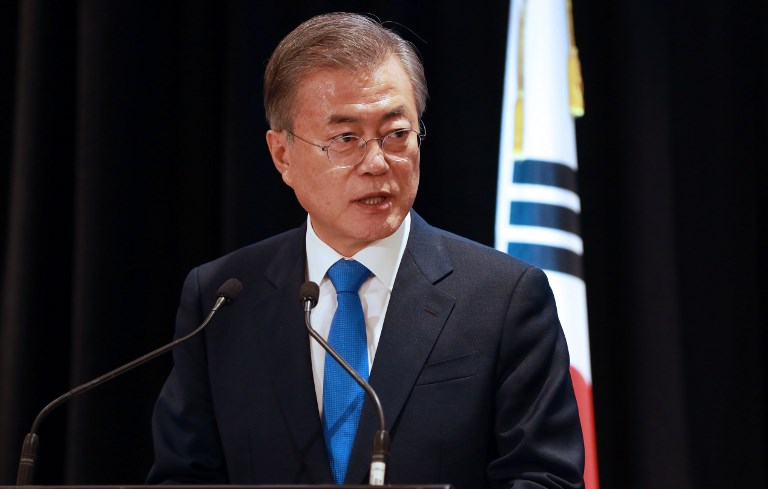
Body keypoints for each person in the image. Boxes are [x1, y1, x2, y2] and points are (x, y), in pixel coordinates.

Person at [147, 12, 584, 489]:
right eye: (346, 139)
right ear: (282, 155)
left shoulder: (504, 299)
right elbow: (183, 478)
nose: (377, 163)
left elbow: (544, 478)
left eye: (396, 134)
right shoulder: (221, 301)